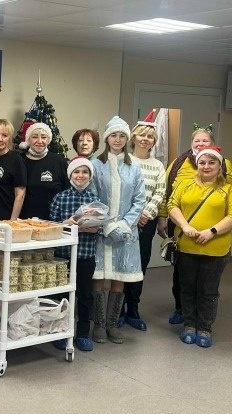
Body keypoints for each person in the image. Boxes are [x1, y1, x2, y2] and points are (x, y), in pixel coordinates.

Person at [157, 125, 232, 325]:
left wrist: (220, 228)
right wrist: (166, 218)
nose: (206, 166)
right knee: (182, 278)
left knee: (207, 286)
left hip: (215, 235)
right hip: (183, 231)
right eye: (197, 141)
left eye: (205, 141)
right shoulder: (179, 163)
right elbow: (168, 195)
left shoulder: (227, 174)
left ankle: (203, 324)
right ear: (191, 144)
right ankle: (183, 312)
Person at [91, 116, 145, 344]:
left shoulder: (134, 167)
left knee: (119, 276)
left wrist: (123, 225)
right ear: (107, 138)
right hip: (100, 231)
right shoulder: (96, 165)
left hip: (125, 232)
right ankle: (98, 324)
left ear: (127, 139)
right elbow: (92, 197)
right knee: (98, 276)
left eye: (122, 136)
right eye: (114, 135)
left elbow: (139, 200)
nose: (118, 139)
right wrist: (107, 225)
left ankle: (112, 324)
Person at [117, 121, 166, 331]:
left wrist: (146, 214)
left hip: (147, 221)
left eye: (150, 137)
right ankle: (118, 309)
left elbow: (160, 192)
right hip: (125, 220)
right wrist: (134, 215)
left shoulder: (158, 165)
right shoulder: (123, 160)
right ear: (134, 138)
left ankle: (133, 309)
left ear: (154, 142)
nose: (145, 139)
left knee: (140, 264)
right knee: (122, 263)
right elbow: (119, 190)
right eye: (142, 135)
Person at [49, 157, 100, 352]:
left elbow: (101, 227)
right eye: (77, 172)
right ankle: (60, 331)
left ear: (90, 176)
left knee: (85, 295)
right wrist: (66, 224)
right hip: (63, 256)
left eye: (85, 172)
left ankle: (83, 333)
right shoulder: (60, 198)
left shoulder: (95, 200)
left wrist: (94, 228)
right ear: (70, 175)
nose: (81, 175)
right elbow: (51, 226)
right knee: (61, 294)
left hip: (86, 255)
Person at [19, 122, 70, 220]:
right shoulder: (19, 161)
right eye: (34, 137)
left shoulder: (59, 161)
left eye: (43, 137)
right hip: (24, 221)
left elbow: (67, 192)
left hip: (53, 221)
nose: (39, 141)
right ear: (28, 139)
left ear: (48, 139)